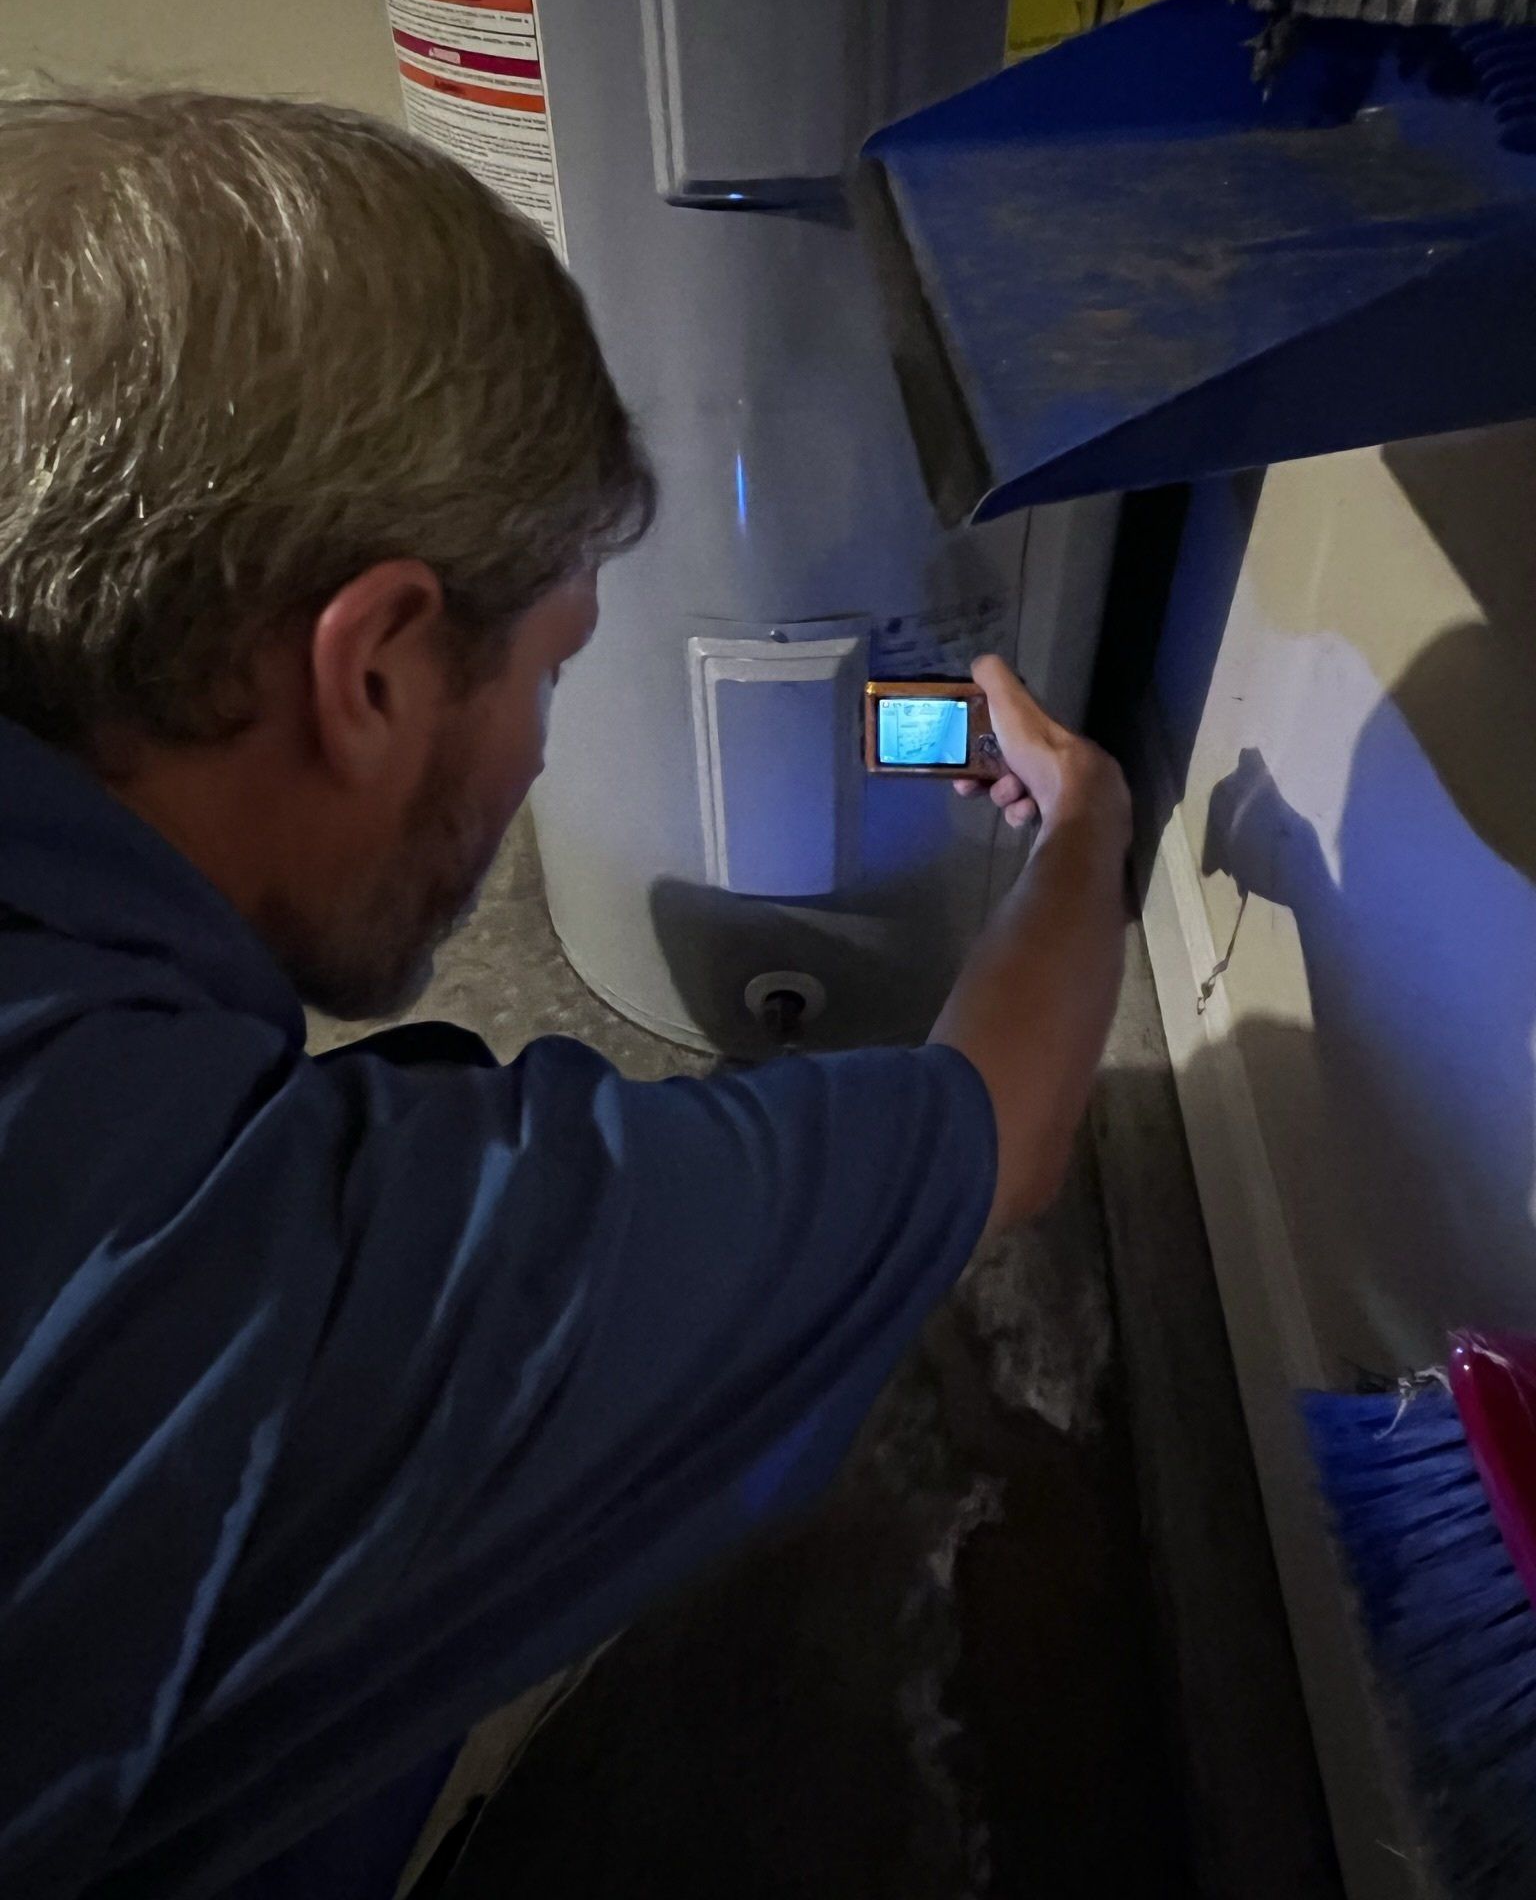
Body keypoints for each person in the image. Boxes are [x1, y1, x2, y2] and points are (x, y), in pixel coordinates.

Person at [0, 94, 1130, 1900]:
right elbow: (1002, 1123)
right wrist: (1089, 828)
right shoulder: (246, 1286)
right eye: (553, 670)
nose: (538, 755)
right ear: (371, 666)